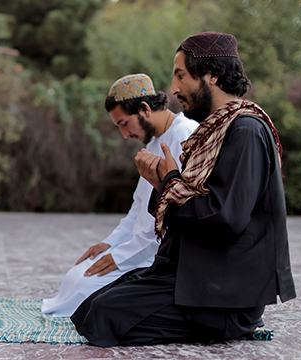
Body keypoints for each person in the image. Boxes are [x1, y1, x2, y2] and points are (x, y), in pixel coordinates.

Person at [71, 32, 296, 346]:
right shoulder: (213, 131)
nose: (174, 90)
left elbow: (225, 217)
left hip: (222, 294)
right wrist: (160, 182)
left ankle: (226, 328)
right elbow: (184, 203)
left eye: (180, 76)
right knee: (88, 308)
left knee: (102, 317)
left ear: (212, 75)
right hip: (192, 273)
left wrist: (167, 181)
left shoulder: (245, 130)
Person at [41, 74, 199, 317]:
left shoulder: (184, 136)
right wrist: (110, 244)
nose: (125, 134)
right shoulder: (153, 143)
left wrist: (119, 257)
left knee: (85, 288)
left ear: (145, 109)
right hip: (135, 248)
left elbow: (171, 218)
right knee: (77, 275)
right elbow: (138, 208)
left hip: (159, 256)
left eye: (124, 123)